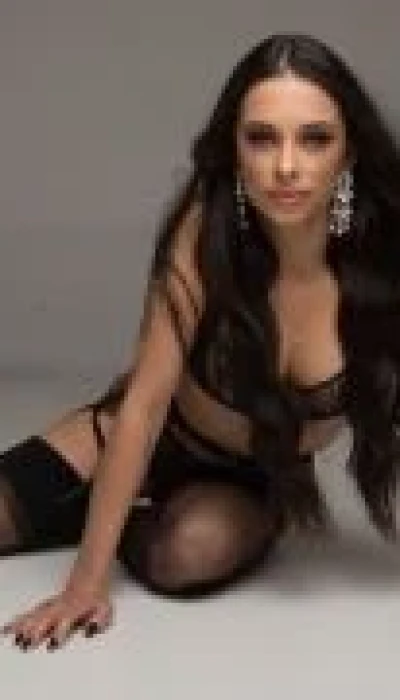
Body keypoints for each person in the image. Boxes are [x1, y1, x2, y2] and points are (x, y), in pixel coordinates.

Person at [1, 31, 400, 653]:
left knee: (185, 553)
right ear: (233, 149)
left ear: (348, 151)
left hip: (247, 481)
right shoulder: (204, 232)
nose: (286, 166)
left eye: (314, 138)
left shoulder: (383, 259)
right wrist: (84, 586)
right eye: (261, 138)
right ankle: (106, 500)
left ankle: (122, 514)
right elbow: (144, 408)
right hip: (140, 433)